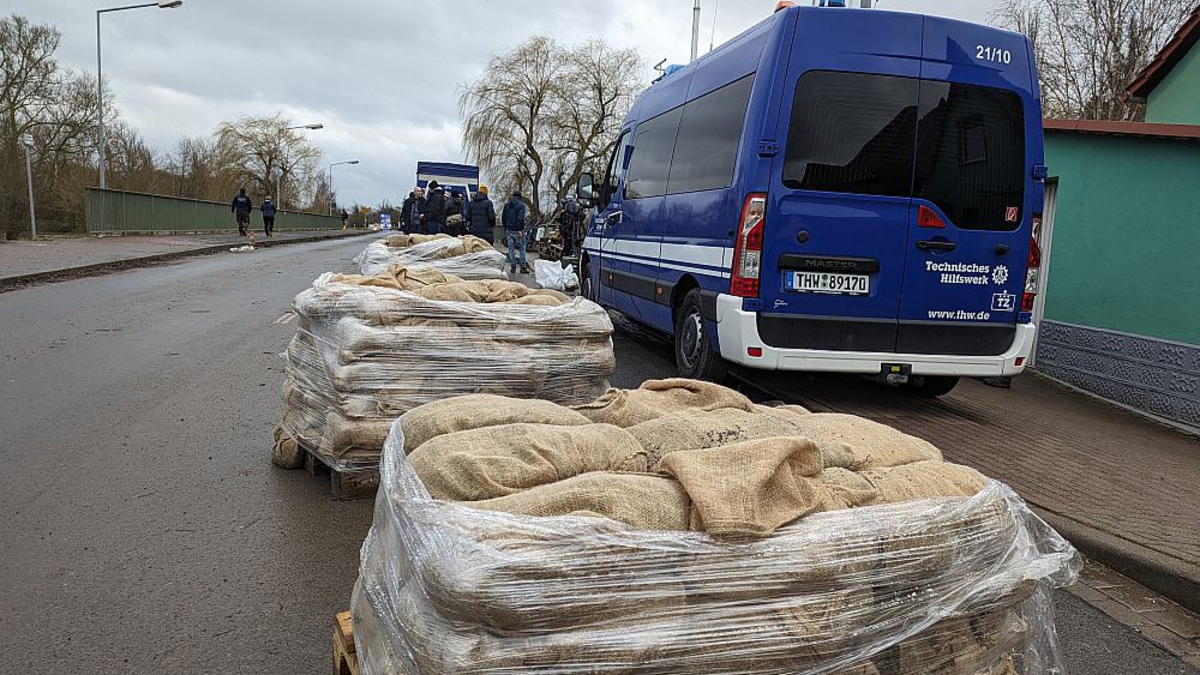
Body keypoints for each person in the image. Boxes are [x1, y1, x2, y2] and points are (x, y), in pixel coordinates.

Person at [502, 190, 529, 274]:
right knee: (522, 248)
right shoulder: (521, 206)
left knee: (511, 249)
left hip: (509, 230)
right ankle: (523, 267)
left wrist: (506, 227)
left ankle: (513, 267)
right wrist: (519, 229)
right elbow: (520, 219)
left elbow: (503, 217)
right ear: (520, 197)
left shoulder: (507, 205)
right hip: (518, 231)